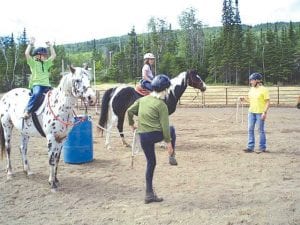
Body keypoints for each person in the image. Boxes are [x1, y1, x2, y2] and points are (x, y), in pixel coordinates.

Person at [127, 74, 177, 204]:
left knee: (151, 163)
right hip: (154, 135)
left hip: (143, 137)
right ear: (164, 90)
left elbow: (129, 111)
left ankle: (149, 194)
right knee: (172, 129)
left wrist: (131, 124)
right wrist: (169, 144)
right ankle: (172, 156)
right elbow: (165, 128)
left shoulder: (142, 100)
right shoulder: (162, 106)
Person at [23, 37, 56, 119]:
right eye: (43, 55)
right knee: (37, 94)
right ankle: (27, 110)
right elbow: (27, 53)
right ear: (37, 55)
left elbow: (54, 55)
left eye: (45, 55)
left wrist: (50, 45)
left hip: (47, 85)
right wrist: (31, 44)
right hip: (37, 85)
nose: (45, 56)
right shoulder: (33, 63)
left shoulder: (46, 63)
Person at [240, 72, 270, 153]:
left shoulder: (264, 90)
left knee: (260, 130)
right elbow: (251, 101)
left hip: (260, 112)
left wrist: (265, 112)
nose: (250, 82)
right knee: (250, 129)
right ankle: (250, 147)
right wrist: (244, 99)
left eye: (252, 80)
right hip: (251, 112)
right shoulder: (251, 89)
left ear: (257, 80)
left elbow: (267, 102)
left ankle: (262, 147)